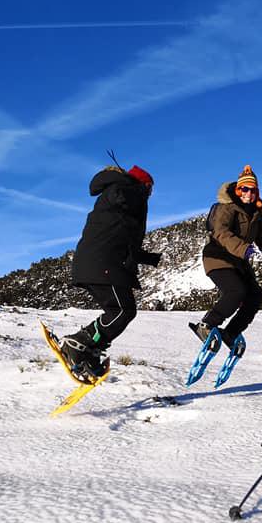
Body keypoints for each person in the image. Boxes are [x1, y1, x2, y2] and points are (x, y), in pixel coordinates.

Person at [59, 158, 161, 378]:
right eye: (150, 188)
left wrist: (149, 258)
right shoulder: (124, 189)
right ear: (144, 184)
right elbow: (121, 197)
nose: (151, 194)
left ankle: (87, 351)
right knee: (122, 310)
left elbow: (124, 239)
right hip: (103, 263)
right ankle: (79, 343)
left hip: (99, 261)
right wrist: (135, 190)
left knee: (119, 311)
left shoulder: (118, 197)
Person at [191, 165, 262, 352]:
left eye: (252, 190)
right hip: (218, 257)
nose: (248, 193)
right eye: (244, 189)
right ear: (238, 190)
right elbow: (221, 232)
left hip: (239, 262)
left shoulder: (256, 214)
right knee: (236, 291)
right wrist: (243, 248)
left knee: (255, 295)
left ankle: (231, 333)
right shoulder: (227, 207)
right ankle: (206, 325)